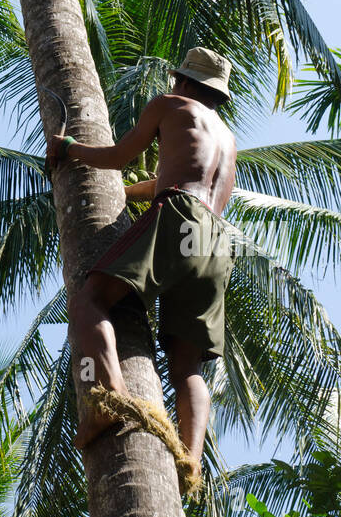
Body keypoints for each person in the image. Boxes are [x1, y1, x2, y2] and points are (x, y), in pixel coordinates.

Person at [45, 47, 237, 483]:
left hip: (179, 216)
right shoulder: (226, 139)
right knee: (187, 364)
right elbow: (187, 181)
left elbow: (117, 156)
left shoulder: (169, 105)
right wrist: (127, 195)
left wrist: (71, 147)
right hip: (215, 241)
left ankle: (107, 397)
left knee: (89, 299)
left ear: (184, 81)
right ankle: (191, 461)